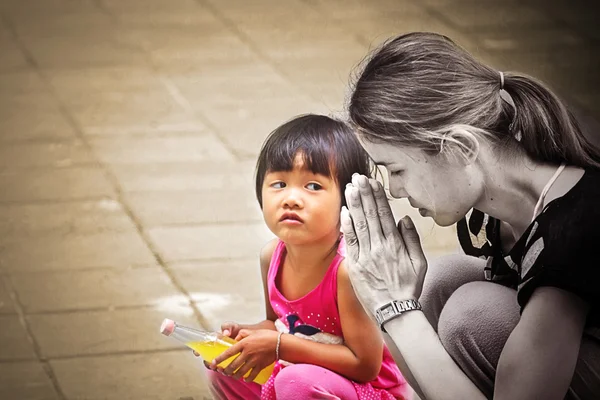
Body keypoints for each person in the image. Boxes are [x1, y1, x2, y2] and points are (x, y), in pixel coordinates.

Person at [340, 32, 600, 400]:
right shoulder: (493, 209)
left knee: (472, 313)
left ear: (460, 148)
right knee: (441, 283)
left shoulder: (575, 228)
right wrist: (386, 304)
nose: (395, 190)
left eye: (397, 170)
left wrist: (394, 309)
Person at [203, 114, 411, 400]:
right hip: (306, 372)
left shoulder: (347, 271)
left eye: (313, 186)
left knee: (295, 382)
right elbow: (280, 324)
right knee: (224, 366)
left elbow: (365, 365)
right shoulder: (271, 256)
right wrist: (245, 336)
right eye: (279, 184)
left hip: (369, 391)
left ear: (347, 198)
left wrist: (278, 346)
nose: (291, 198)